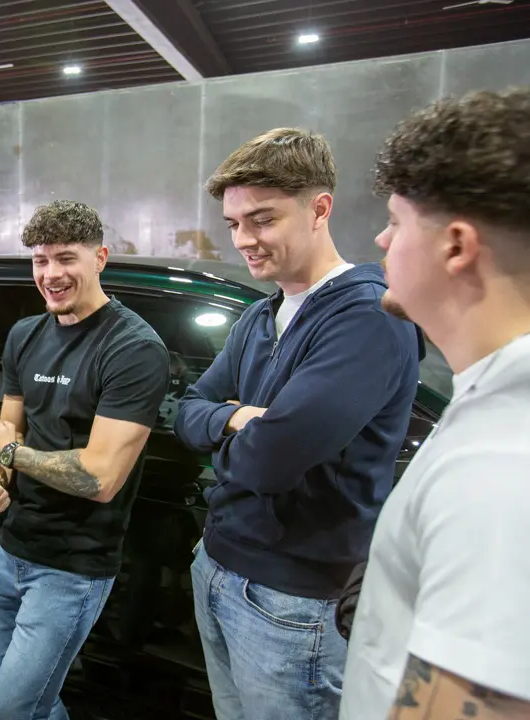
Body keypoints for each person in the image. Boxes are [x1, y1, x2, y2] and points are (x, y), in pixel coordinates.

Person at [173, 128, 421, 719]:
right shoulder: (260, 316)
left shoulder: (367, 318)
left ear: (319, 209)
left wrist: (228, 433)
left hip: (294, 602)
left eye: (262, 219)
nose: (244, 239)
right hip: (217, 565)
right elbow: (185, 411)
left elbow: (269, 461)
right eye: (234, 224)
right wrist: (238, 417)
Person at [341, 88, 530, 719]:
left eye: (396, 221)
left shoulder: (502, 458)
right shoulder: (496, 412)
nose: (381, 237)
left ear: (456, 246)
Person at [0, 199, 170, 720]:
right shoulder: (25, 335)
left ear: (99, 258)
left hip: (72, 567)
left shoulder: (132, 348)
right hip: (11, 549)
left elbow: (101, 477)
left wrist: (9, 453)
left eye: (66, 258)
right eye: (40, 261)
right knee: (25, 702)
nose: (51, 274)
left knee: (14, 710)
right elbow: (7, 428)